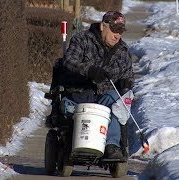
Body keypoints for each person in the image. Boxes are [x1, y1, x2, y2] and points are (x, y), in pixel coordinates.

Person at [46, 11, 134, 159]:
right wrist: (89, 71)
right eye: (114, 30)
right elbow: (69, 61)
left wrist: (127, 83)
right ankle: (73, 143)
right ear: (102, 26)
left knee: (116, 102)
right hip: (78, 96)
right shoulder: (82, 40)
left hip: (104, 100)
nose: (117, 35)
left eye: (120, 31)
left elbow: (128, 74)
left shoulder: (123, 51)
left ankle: (112, 146)